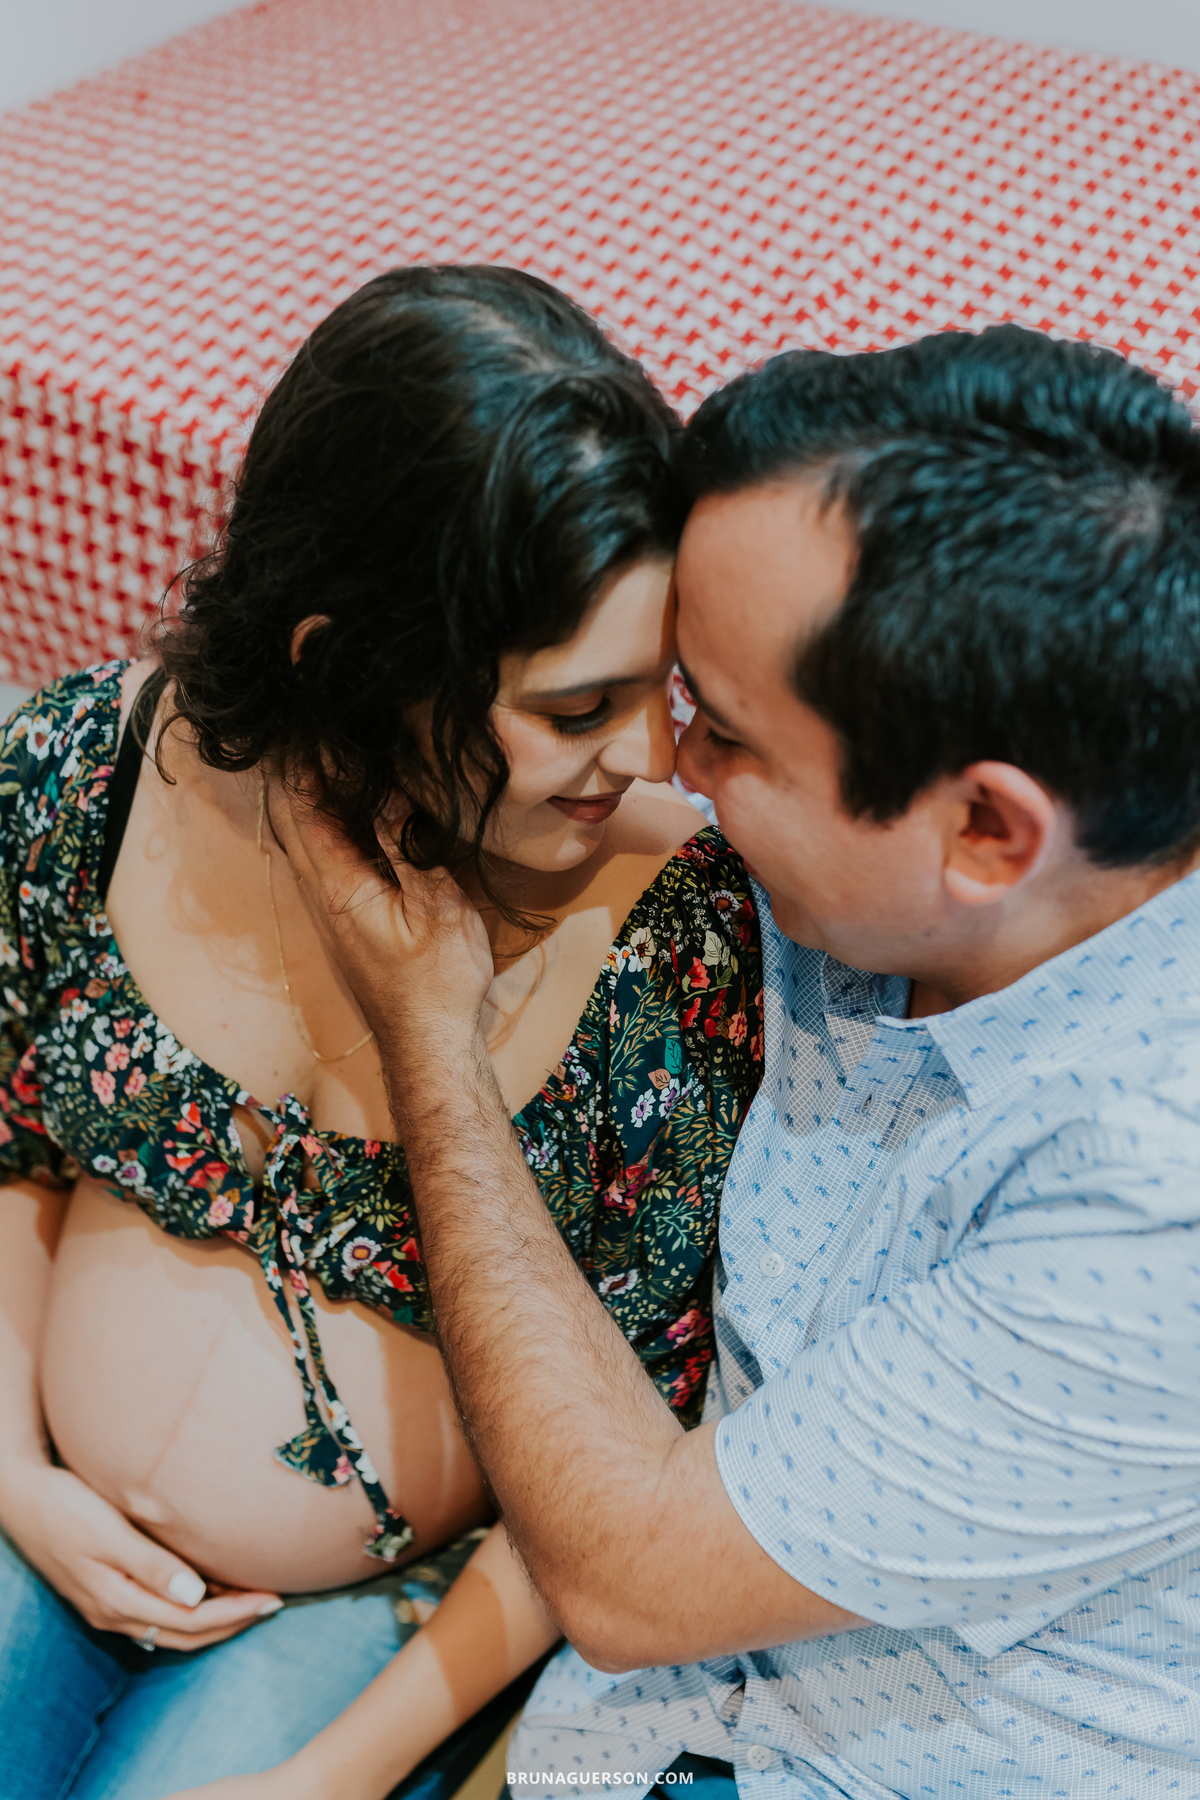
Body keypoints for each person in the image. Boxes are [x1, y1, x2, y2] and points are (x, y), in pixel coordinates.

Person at [280, 323, 1200, 1800]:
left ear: (985, 831)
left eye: (727, 732)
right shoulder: (908, 891)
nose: (671, 768)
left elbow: (632, 1574)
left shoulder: (1152, 1208)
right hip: (634, 1727)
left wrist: (426, 1040)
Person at [0, 264, 764, 1800]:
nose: (647, 752)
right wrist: (14, 1472)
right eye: (575, 707)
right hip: (39, 1502)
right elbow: (14, 1143)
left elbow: (632, 1472)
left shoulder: (676, 938)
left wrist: (336, 1776)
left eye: (662, 686)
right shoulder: (90, 778)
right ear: (345, 663)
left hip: (383, 1622)